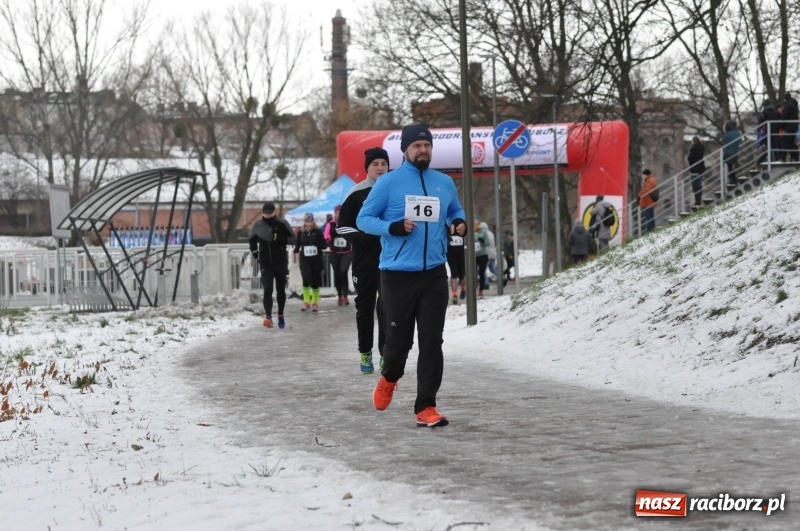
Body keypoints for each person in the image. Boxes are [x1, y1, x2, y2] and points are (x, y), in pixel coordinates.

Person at [357, 123, 467, 428]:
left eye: (427, 145)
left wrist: (459, 222)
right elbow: (364, 219)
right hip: (396, 275)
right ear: (405, 150)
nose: (423, 150)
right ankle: (389, 376)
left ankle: (426, 407)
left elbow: (455, 209)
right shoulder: (388, 183)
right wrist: (391, 227)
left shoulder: (444, 182)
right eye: (417, 145)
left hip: (434, 274)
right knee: (398, 344)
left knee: (432, 341)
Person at [336, 147, 389, 374]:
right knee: (365, 309)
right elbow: (342, 226)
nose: (379, 167)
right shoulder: (356, 193)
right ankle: (365, 353)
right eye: (375, 163)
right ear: (367, 167)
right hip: (364, 262)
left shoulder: (395, 191)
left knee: (387, 309)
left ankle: (386, 354)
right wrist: (362, 237)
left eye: (383, 164)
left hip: (390, 261)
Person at [249, 201, 294, 329]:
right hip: (265, 263)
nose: (268, 215)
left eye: (270, 213)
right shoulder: (258, 225)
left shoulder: (282, 223)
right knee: (267, 289)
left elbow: (294, 239)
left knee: (280, 290)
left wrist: (279, 238)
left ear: (275, 212)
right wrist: (255, 252)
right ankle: (268, 316)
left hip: (280, 262)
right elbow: (252, 240)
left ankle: (280, 313)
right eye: (265, 213)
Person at [293, 212, 326, 313]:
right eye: (307, 222)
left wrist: (316, 243)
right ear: (304, 222)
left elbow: (324, 245)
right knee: (306, 279)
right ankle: (306, 302)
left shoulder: (318, 231)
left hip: (316, 260)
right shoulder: (301, 232)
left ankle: (315, 302)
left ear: (313, 222)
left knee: (315, 281)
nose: (309, 224)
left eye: (310, 221)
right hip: (305, 260)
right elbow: (298, 243)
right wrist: (296, 249)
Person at [324, 205, 352, 305]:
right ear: (334, 214)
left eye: (340, 212)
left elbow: (352, 234)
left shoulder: (348, 222)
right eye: (336, 212)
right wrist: (330, 238)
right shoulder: (330, 224)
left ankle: (345, 296)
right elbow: (326, 236)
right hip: (334, 253)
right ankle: (339, 296)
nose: (338, 214)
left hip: (346, 252)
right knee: (337, 274)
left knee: (343, 272)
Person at [446, 226, 466, 304]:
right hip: (450, 253)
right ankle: (454, 294)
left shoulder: (461, 228)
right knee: (454, 273)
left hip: (461, 253)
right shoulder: (447, 228)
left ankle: (463, 288)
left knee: (461, 274)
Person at [687, 137, 706, 208]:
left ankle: (697, 199)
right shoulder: (701, 148)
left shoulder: (694, 148)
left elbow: (690, 158)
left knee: (695, 185)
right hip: (701, 168)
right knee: (699, 184)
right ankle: (699, 199)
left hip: (695, 169)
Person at [721, 121, 741, 186]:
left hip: (728, 152)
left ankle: (732, 179)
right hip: (735, 152)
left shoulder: (727, 134)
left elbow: (724, 140)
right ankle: (733, 178)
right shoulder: (737, 133)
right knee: (732, 166)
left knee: (730, 167)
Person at [780, 92, 799, 162]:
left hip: (788, 127)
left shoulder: (787, 106)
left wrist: (780, 125)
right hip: (794, 127)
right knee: (792, 143)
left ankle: (783, 157)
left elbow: (784, 116)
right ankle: (794, 157)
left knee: (785, 142)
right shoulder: (795, 105)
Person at [473, 216, 489, 299]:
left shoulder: (483, 232)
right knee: (473, 274)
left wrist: (483, 241)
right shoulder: (469, 232)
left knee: (481, 273)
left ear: (478, 222)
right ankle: (473, 289)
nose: (474, 222)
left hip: (482, 255)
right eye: (473, 221)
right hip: (473, 256)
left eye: (476, 221)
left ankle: (481, 290)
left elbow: (488, 242)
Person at [479, 221, 497, 289]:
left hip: (487, 254)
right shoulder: (491, 233)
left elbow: (484, 244)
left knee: (483, 270)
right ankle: (502, 278)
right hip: (493, 253)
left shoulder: (484, 234)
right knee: (493, 269)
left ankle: (485, 283)